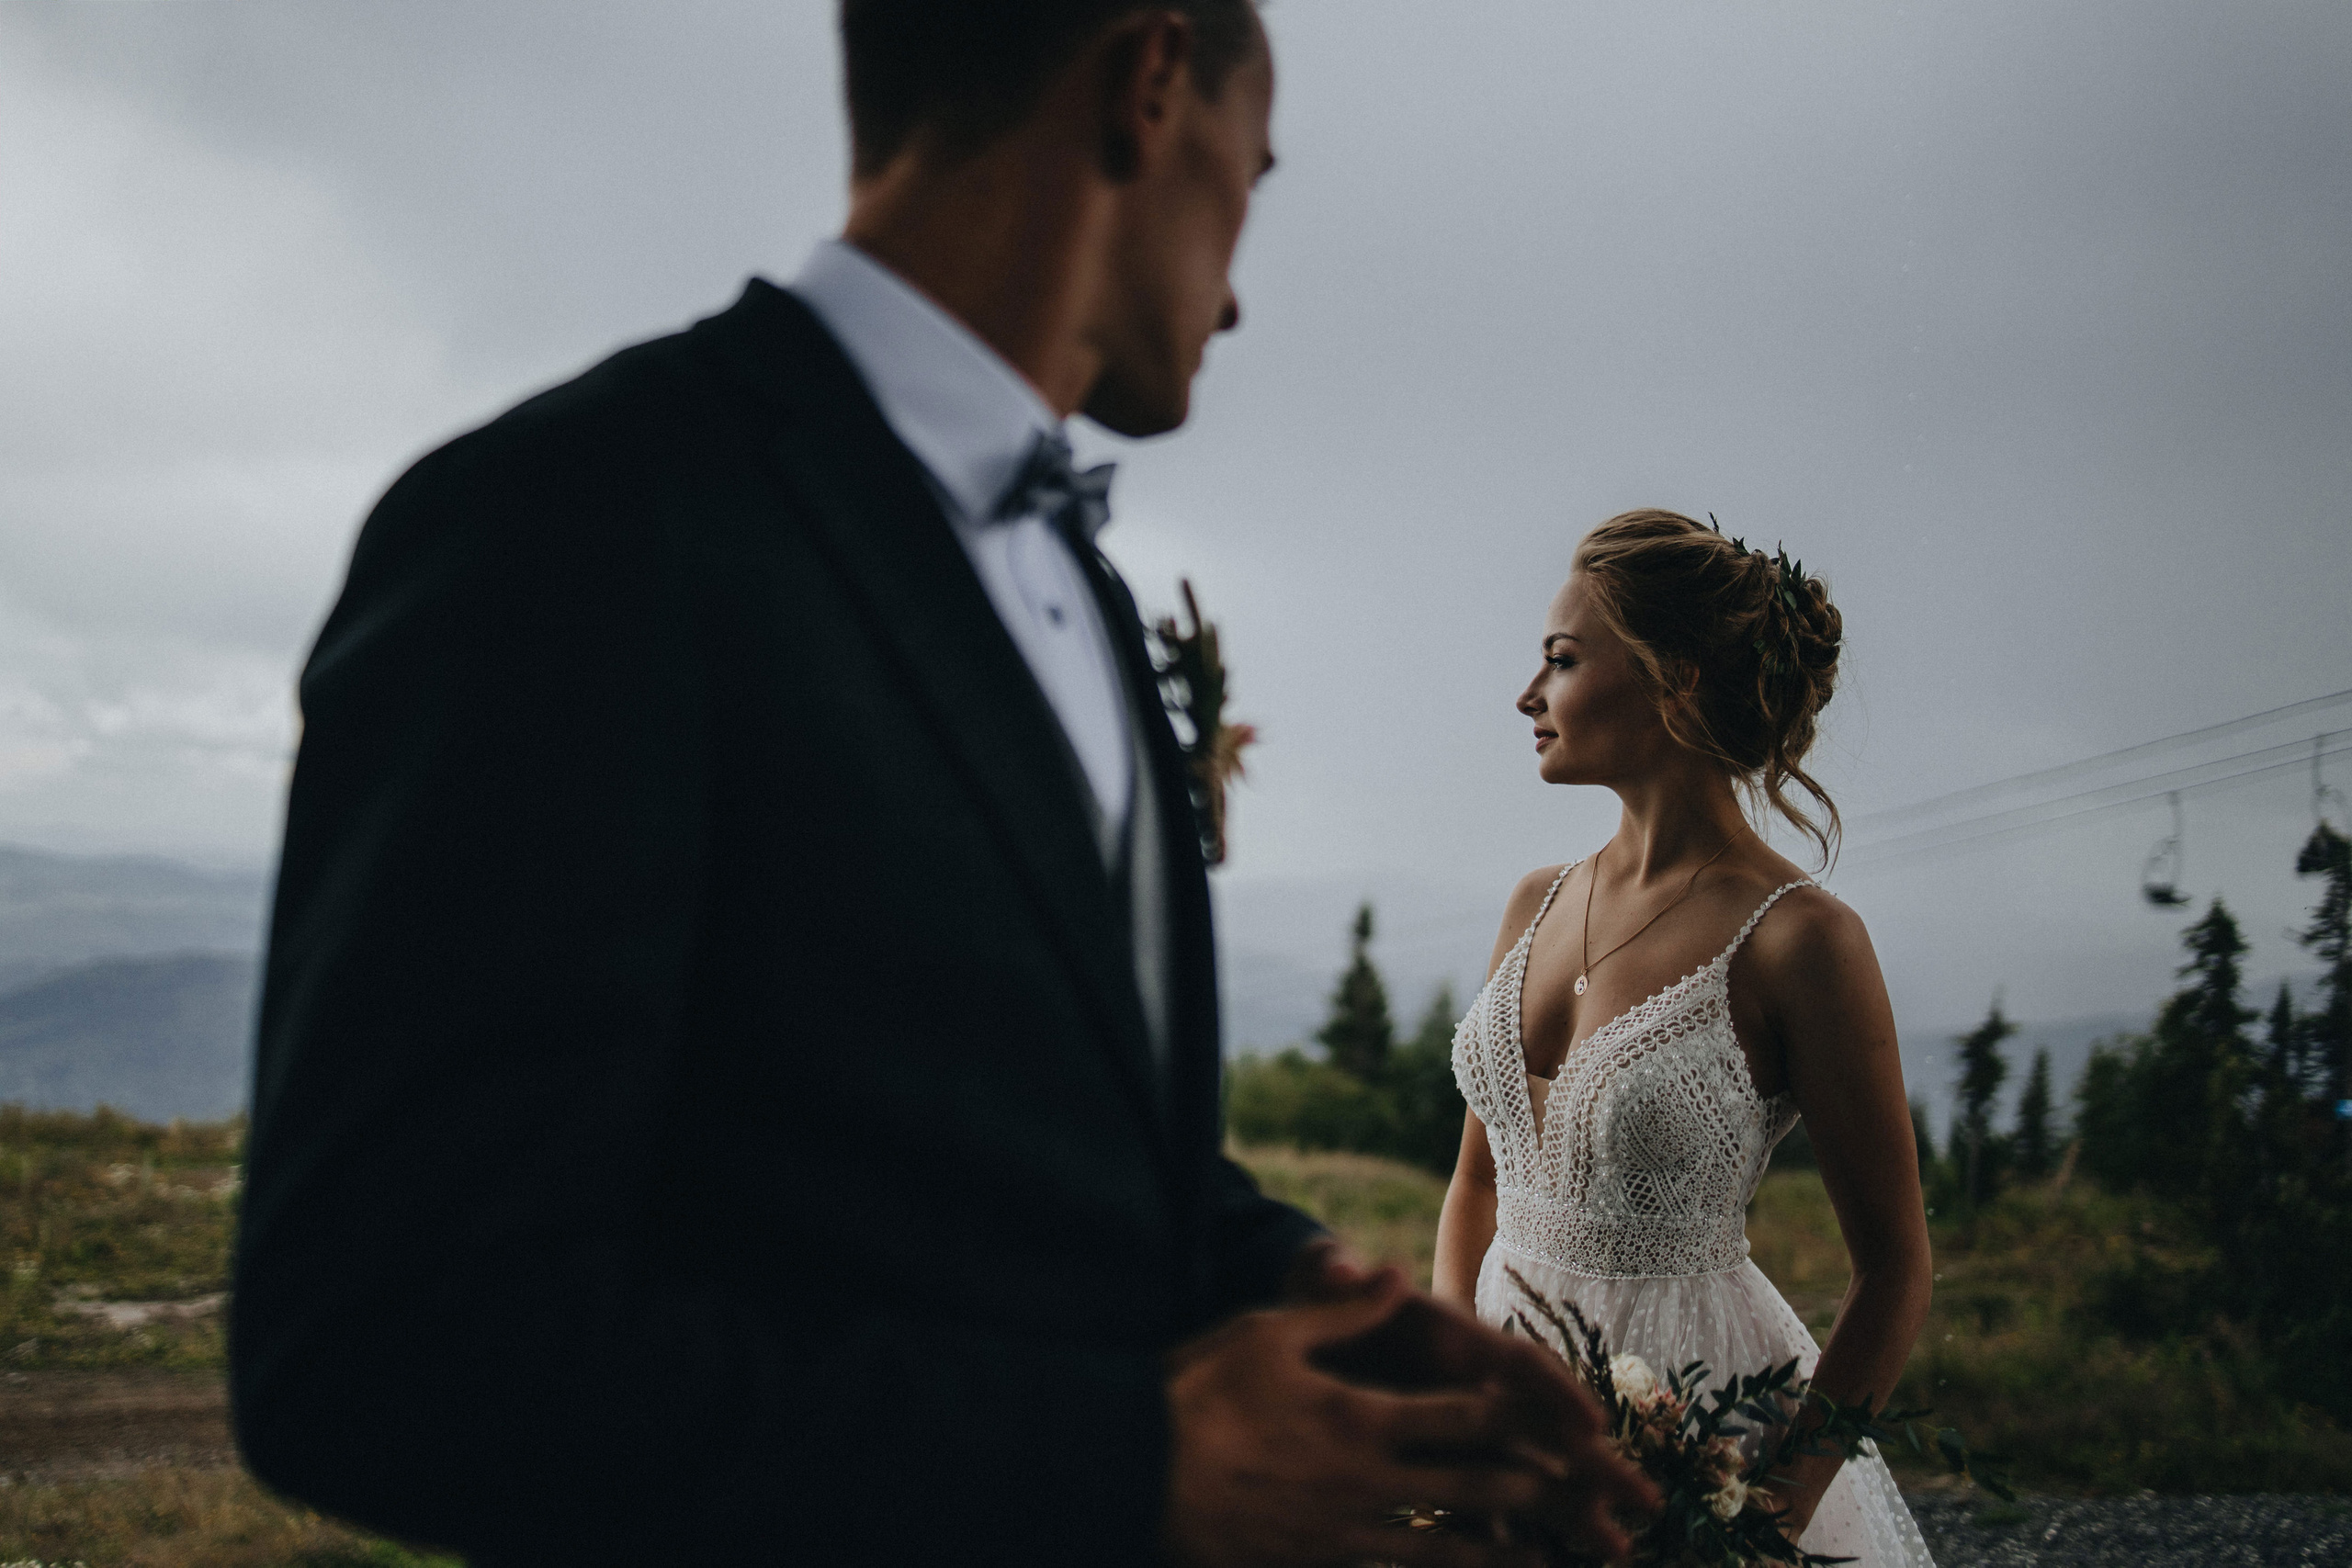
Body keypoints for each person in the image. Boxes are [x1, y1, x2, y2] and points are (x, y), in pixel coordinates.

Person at [230, 4, 1653, 1565]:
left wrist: (1313, 1296)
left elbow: (1034, 1146)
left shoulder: (1086, 599)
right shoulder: (571, 526)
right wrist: (1118, 1465)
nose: (1240, 296)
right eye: (1250, 181)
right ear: (1150, 81)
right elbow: (373, 1347)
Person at [1432, 510, 1939, 1565]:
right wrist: (1461, 1407)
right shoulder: (1535, 899)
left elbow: (1894, 1271)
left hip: (1699, 1428)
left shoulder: (1802, 942)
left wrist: (1759, 1522)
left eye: (1561, 662)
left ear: (1676, 680)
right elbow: (1477, 1186)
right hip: (1501, 1433)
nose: (1528, 696)